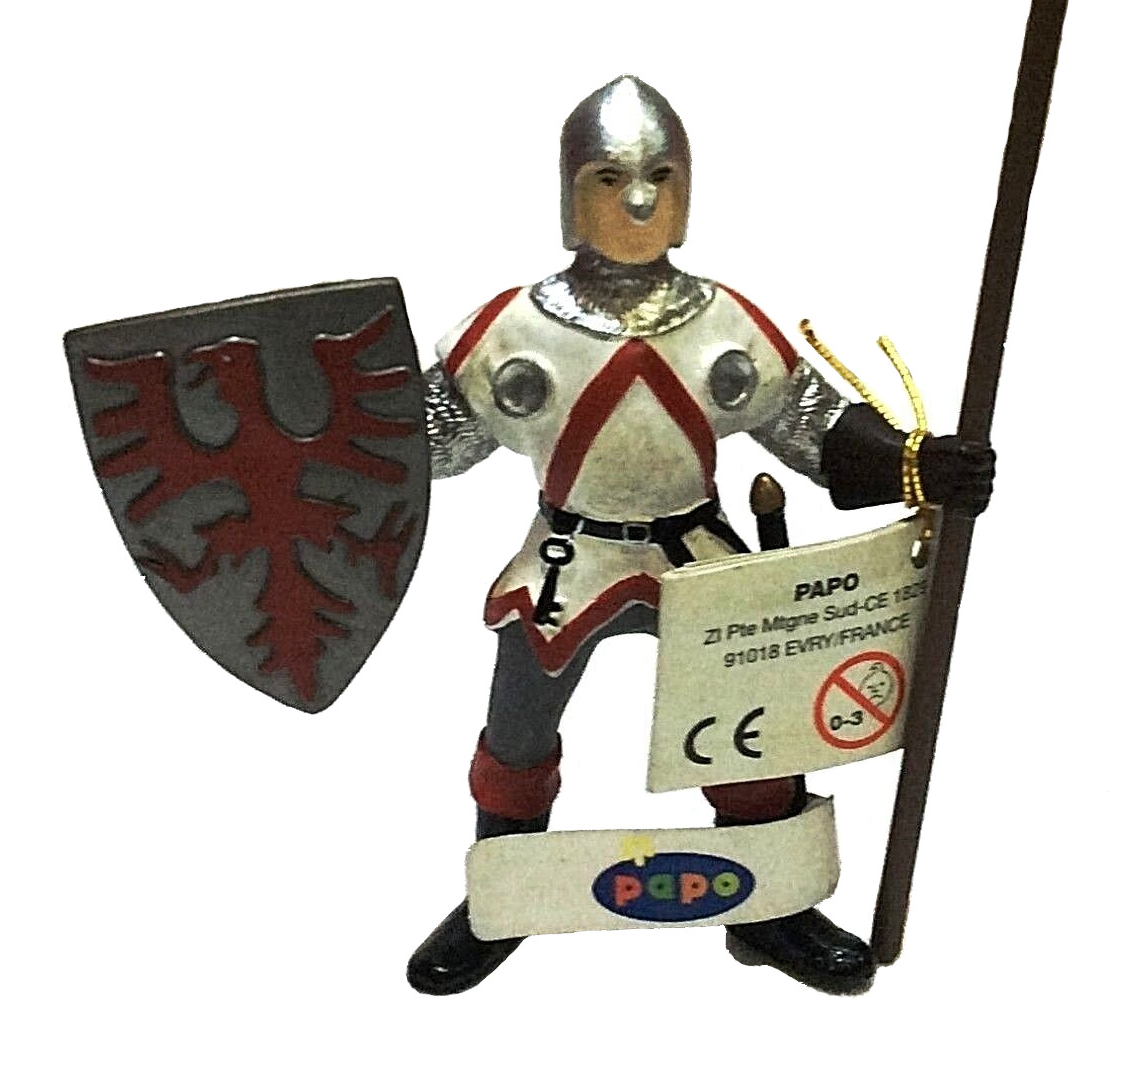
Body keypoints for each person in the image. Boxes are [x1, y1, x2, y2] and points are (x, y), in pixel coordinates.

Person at [407, 75, 994, 996]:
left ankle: (769, 905)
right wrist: (349, 431)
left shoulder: (725, 324)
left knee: (755, 726)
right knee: (518, 725)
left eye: (661, 177)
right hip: (569, 557)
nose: (639, 201)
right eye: (610, 179)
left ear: (688, 191)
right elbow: (434, 442)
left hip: (698, 552)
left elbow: (809, 425)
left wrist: (917, 466)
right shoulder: (510, 330)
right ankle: (504, 893)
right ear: (571, 194)